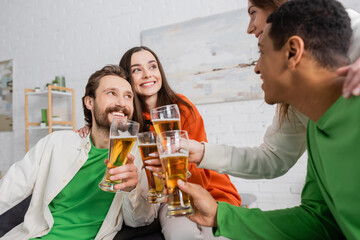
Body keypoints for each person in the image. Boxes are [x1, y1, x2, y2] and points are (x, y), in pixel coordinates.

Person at [178, 0, 360, 239]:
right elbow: (320, 219)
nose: (255, 69)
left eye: (261, 52)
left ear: (293, 52)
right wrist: (219, 215)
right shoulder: (315, 126)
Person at [77, 47, 242, 239]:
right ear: (127, 79)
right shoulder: (129, 120)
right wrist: (88, 127)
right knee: (181, 234)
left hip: (205, 188)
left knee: (219, 234)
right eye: (137, 70)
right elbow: (105, 124)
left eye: (152, 66)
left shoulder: (183, 108)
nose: (148, 74)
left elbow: (199, 168)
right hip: (164, 197)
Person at [0, 65, 157, 239]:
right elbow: (9, 189)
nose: (122, 103)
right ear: (89, 102)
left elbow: (142, 220)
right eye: (111, 93)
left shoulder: (139, 155)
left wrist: (131, 189)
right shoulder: (56, 143)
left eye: (128, 96)